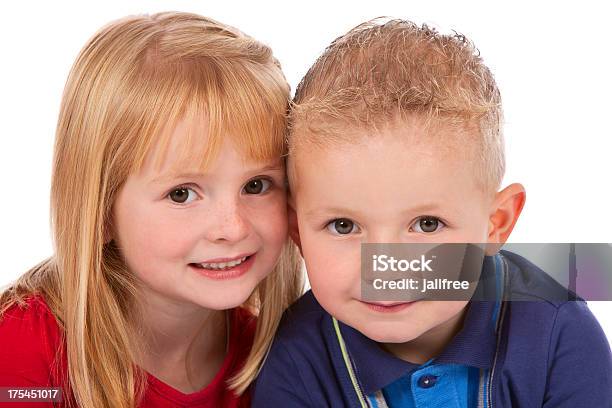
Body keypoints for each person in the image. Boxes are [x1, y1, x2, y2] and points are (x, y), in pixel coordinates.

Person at [253, 19, 612, 407]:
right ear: (297, 231)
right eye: (343, 225)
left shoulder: (558, 330)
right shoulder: (296, 359)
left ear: (496, 224)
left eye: (427, 225)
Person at [0, 11, 302, 408]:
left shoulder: (277, 358)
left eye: (256, 185)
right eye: (182, 194)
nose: (232, 227)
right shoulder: (22, 348)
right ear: (102, 210)